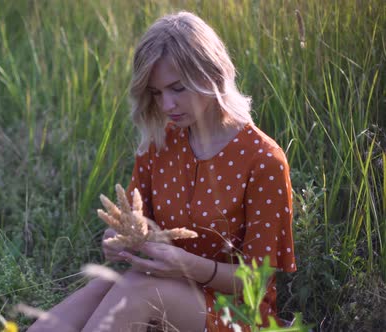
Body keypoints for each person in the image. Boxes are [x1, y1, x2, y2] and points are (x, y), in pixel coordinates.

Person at [28, 11, 295, 332]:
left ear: (210, 74)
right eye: (156, 93)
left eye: (178, 88)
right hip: (154, 285)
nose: (167, 104)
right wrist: (119, 239)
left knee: (138, 289)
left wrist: (186, 266)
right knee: (65, 315)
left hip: (237, 312)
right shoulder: (160, 142)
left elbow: (255, 280)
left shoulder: (264, 158)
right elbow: (129, 222)